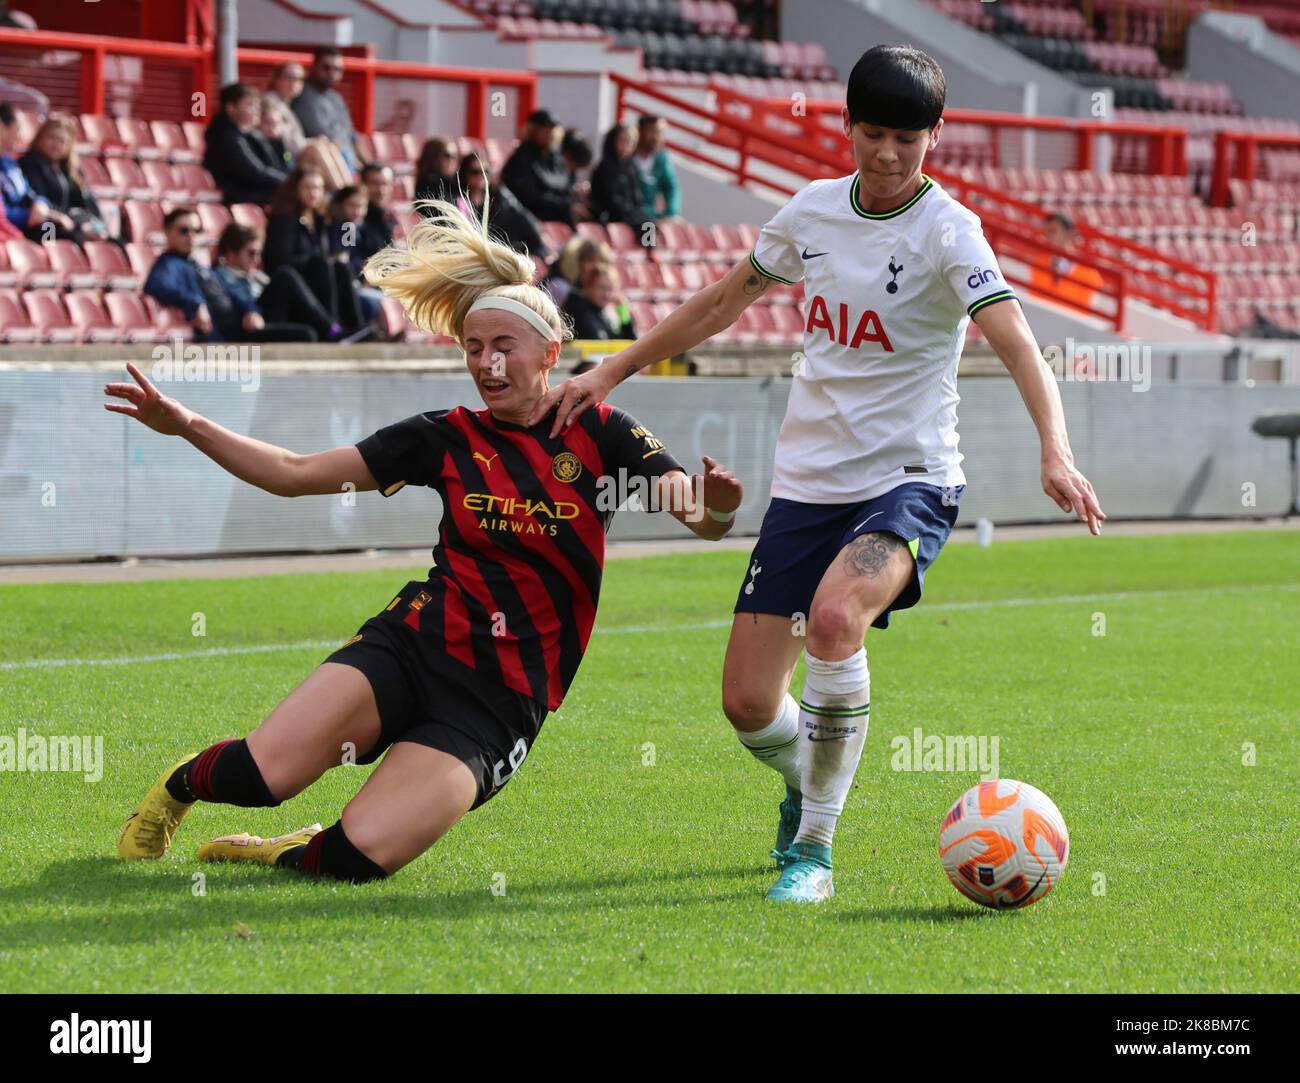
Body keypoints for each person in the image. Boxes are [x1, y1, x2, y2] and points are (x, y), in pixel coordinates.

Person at [529, 45, 1106, 904]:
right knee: (746, 701)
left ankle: (815, 850)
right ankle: (810, 775)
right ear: (847, 127)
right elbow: (722, 301)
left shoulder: (950, 231)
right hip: (806, 484)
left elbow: (1017, 340)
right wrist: (612, 368)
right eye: (873, 133)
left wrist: (1053, 449)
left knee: (838, 621)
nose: (887, 155)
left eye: (907, 139)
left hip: (910, 477)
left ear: (935, 137)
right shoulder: (809, 214)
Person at [109, 189, 745, 885]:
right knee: (265, 772)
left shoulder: (603, 432)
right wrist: (190, 425)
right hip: (413, 647)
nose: (487, 364)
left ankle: (274, 848)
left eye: (504, 346)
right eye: (474, 348)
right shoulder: (444, 436)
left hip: (500, 700)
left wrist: (714, 505)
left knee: (353, 861)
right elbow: (293, 474)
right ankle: (178, 786)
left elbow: (698, 517)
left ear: (550, 352)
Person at [143, 207, 314, 343]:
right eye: (183, 230)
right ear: (167, 231)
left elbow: (231, 292)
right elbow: (156, 285)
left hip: (244, 327)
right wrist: (194, 303)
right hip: (230, 338)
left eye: (195, 231)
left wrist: (250, 311)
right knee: (306, 334)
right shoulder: (168, 264)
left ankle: (334, 330)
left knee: (304, 326)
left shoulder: (197, 265)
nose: (190, 236)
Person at [264, 167, 366, 338]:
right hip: (293, 285)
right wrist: (317, 261)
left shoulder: (321, 221)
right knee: (322, 263)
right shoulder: (285, 219)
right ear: (295, 189)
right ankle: (332, 329)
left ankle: (357, 328)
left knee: (340, 268)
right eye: (307, 187)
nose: (313, 193)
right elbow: (279, 261)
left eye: (318, 188)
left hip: (319, 280)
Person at [215, 222, 343, 342]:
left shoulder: (256, 275)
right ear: (230, 253)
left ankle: (336, 327)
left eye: (259, 254)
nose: (257, 259)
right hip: (251, 323)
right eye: (251, 253)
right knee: (285, 276)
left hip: (269, 317)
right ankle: (333, 330)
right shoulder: (219, 277)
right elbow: (236, 302)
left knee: (324, 268)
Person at [18, 113, 112, 244]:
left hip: (74, 224)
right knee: (59, 239)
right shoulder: (29, 164)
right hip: (45, 223)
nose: (56, 145)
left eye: (62, 141)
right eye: (52, 138)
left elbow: (88, 203)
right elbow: (37, 200)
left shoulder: (72, 170)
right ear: (40, 138)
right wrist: (74, 225)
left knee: (113, 243)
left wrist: (95, 226)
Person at [449, 153, 546, 261]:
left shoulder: (501, 201)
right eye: (475, 171)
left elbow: (524, 220)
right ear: (464, 174)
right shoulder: (456, 203)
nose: (481, 175)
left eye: (486, 171)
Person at [1, 101, 74, 241]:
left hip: (32, 222)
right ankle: (50, 257)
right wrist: (29, 216)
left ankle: (54, 255)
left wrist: (40, 203)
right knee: (56, 233)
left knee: (60, 229)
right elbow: (2, 213)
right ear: (2, 127)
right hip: (14, 226)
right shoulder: (28, 161)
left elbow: (28, 192)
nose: (21, 136)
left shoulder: (11, 163)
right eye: (18, 129)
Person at [203, 83, 286, 207]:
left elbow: (274, 165)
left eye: (257, 105)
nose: (256, 110)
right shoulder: (227, 137)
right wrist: (290, 182)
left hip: (253, 192)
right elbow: (254, 172)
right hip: (239, 197)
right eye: (250, 104)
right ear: (231, 108)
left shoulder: (251, 135)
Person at [500, 108, 587, 225]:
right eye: (545, 128)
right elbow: (530, 198)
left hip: (561, 217)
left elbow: (567, 189)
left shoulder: (557, 160)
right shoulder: (521, 159)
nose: (550, 133)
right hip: (530, 221)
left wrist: (574, 203)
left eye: (553, 129)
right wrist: (564, 205)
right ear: (532, 130)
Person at [291, 46, 359, 173]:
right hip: (323, 162)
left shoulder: (336, 99)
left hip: (347, 159)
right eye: (326, 67)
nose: (331, 74)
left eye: (337, 69)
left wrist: (371, 164)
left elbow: (352, 136)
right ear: (313, 66)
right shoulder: (302, 94)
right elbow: (319, 134)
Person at [1029, 211, 1105, 312]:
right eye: (1046, 231)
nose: (1048, 236)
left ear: (1069, 233)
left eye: (1053, 231)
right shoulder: (1038, 262)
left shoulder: (1090, 273)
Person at [589, 122, 645, 228]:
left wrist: (636, 212)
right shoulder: (605, 167)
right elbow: (611, 200)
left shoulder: (631, 166)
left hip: (630, 214)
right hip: (609, 217)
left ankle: (650, 244)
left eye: (631, 143)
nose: (626, 147)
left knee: (652, 225)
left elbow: (636, 196)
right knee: (645, 227)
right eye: (623, 141)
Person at [563, 261, 635, 340]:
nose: (606, 295)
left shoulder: (603, 313)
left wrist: (623, 313)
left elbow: (629, 340)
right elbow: (598, 338)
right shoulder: (577, 307)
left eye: (610, 289)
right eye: (602, 288)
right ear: (588, 287)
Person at [631, 114, 680, 222]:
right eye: (652, 131)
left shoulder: (661, 158)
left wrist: (671, 213)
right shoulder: (626, 156)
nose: (656, 137)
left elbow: (671, 187)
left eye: (660, 133)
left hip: (650, 215)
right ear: (639, 131)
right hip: (629, 215)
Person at [542, 235, 610, 307]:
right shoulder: (561, 288)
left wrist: (621, 308)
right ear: (580, 262)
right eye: (591, 260)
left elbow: (622, 317)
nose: (597, 266)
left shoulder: (599, 291)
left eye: (601, 261)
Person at [413, 136, 459, 206]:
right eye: (447, 155)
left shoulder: (456, 183)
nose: (452, 160)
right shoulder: (427, 186)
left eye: (455, 156)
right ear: (433, 157)